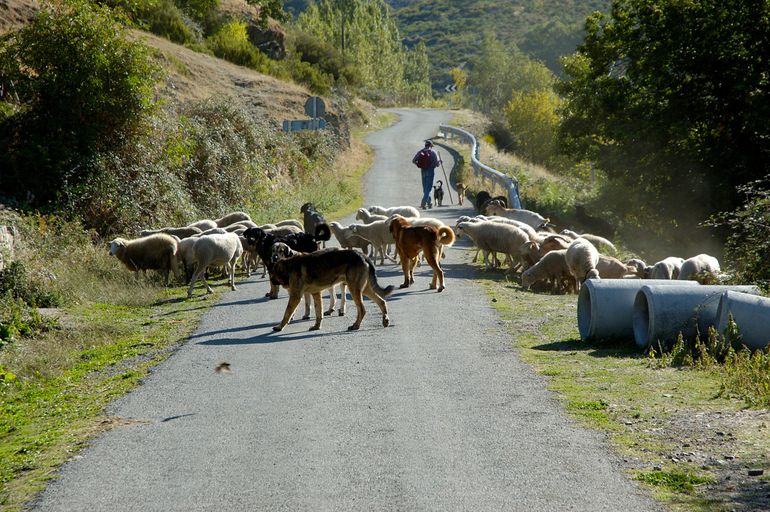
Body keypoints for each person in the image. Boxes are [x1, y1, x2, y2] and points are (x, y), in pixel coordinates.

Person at [412, 140, 441, 209]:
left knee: (425, 188)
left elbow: (413, 161)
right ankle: (423, 202)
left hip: (423, 171)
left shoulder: (421, 152)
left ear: (425, 145)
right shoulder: (433, 152)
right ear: (431, 145)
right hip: (431, 171)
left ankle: (429, 203)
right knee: (428, 188)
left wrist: (419, 165)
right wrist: (440, 162)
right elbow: (437, 164)